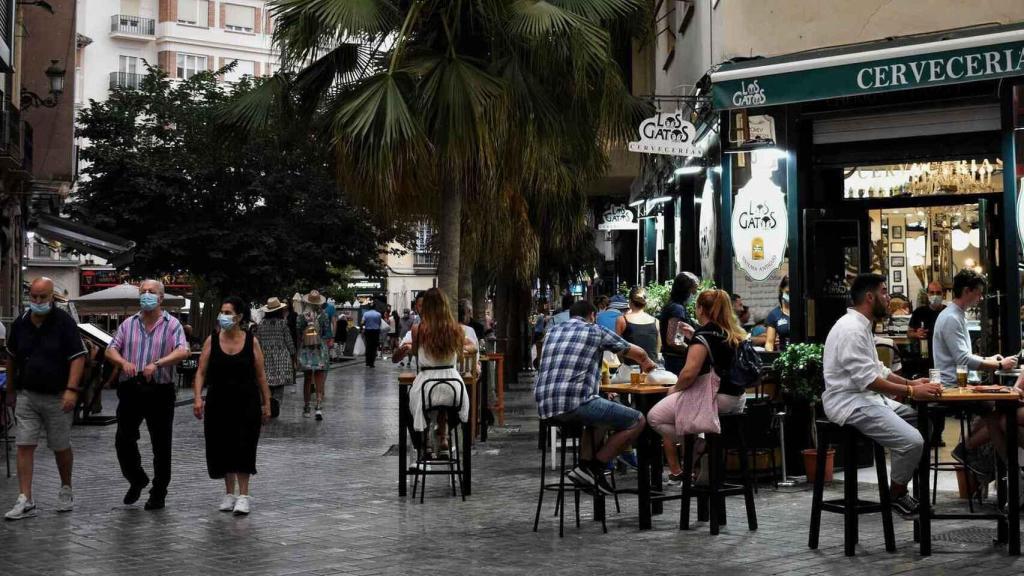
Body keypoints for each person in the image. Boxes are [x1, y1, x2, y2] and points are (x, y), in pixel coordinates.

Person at [821, 273, 942, 516]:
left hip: (868, 398)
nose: (889, 298)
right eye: (885, 292)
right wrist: (911, 391)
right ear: (869, 297)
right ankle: (896, 494)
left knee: (922, 423)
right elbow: (870, 381)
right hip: (850, 402)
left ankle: (901, 484)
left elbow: (880, 370)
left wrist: (912, 382)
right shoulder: (851, 329)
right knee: (912, 441)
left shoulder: (862, 326)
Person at [534, 300, 656, 494]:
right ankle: (596, 467)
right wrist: (649, 364)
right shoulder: (594, 330)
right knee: (638, 420)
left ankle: (583, 467)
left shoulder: (552, 333)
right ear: (592, 315)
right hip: (576, 403)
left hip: (545, 407)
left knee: (600, 415)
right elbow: (636, 352)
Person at [4, 278, 87, 520]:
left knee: (60, 446)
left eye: (43, 297)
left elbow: (78, 357)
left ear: (53, 297)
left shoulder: (64, 322)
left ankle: (65, 487)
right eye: (34, 297)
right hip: (28, 394)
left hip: (57, 395)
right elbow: (11, 356)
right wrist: (10, 389)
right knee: (24, 444)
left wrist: (72, 389)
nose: (38, 302)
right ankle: (25, 498)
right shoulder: (21, 322)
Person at [648, 289, 749, 486]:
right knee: (690, 418)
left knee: (655, 416)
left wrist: (674, 389)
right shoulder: (732, 331)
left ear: (700, 309)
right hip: (737, 399)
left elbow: (688, 374)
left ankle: (700, 444)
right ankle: (702, 458)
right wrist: (694, 335)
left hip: (715, 397)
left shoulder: (704, 335)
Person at [106, 279, 190, 510]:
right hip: (131, 388)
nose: (146, 295)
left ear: (161, 298)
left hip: (160, 390)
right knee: (123, 439)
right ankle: (137, 478)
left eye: (151, 292)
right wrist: (122, 362)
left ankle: (159, 491)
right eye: (143, 292)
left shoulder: (172, 324)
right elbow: (111, 348)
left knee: (161, 445)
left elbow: (183, 350)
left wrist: (158, 363)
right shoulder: (128, 324)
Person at [193, 296, 271, 515]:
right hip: (218, 400)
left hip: (246, 401)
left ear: (239, 317)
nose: (223, 317)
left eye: (228, 313)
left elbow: (261, 375)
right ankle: (229, 493)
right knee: (222, 446)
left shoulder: (251, 341)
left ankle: (244, 495)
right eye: (222, 312)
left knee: (244, 445)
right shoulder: (212, 340)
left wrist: (267, 403)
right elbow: (201, 371)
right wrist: (198, 397)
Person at [934, 270, 1018, 468]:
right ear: (966, 291)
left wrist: (989, 359)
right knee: (994, 407)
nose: (980, 298)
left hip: (959, 382)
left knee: (995, 406)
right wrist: (998, 364)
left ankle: (969, 450)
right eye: (978, 293)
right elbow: (963, 358)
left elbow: (962, 357)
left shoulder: (955, 315)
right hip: (952, 385)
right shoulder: (951, 318)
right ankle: (1009, 469)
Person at [403, 288, 475, 456]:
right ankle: (444, 437)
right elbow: (471, 345)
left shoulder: (418, 329)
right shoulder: (455, 329)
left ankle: (424, 444)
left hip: (426, 384)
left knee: (409, 406)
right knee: (446, 403)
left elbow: (414, 352)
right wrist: (461, 351)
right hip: (453, 386)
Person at [255, 297, 296, 417]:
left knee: (267, 382)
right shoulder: (282, 323)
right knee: (279, 384)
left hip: (265, 356)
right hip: (281, 357)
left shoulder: (261, 324)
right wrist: (293, 355)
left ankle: (267, 402)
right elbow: (288, 341)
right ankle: (275, 403)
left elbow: (258, 341)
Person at [297, 290, 334, 420]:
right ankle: (318, 406)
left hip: (306, 349)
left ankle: (306, 406)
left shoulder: (302, 316)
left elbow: (298, 330)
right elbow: (326, 332)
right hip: (320, 348)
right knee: (319, 378)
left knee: (307, 379)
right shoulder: (323, 315)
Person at [659, 272, 699, 375]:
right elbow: (674, 340)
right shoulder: (677, 309)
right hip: (676, 362)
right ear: (686, 289)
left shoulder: (674, 306)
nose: (695, 293)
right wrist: (693, 352)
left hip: (673, 360)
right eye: (693, 289)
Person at [906, 281, 946, 374]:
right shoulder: (919, 312)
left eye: (938, 293)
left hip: (943, 357)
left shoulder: (947, 312)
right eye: (932, 293)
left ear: (943, 294)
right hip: (924, 358)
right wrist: (917, 334)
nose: (935, 296)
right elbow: (909, 333)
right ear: (927, 294)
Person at [622, 287, 660, 364]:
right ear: (645, 303)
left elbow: (618, 348)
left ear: (629, 302)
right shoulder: (655, 321)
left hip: (630, 369)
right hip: (650, 368)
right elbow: (657, 348)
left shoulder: (622, 320)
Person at [764, 276, 791, 352]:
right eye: (788, 292)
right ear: (781, 290)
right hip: (783, 355)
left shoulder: (802, 313)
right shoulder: (774, 314)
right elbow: (769, 343)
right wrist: (770, 354)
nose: (790, 296)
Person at [531, 300, 550, 371]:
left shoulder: (539, 316)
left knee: (537, 346)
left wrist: (532, 317)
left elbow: (532, 323)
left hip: (537, 333)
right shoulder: (542, 316)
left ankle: (538, 361)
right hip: (541, 333)